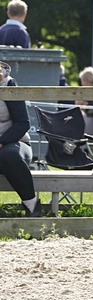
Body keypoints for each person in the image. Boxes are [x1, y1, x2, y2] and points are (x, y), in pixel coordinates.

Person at [0, 62, 43, 216]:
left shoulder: (9, 84)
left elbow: (22, 123)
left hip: (15, 142)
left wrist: (2, 141)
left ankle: (32, 206)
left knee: (9, 156)